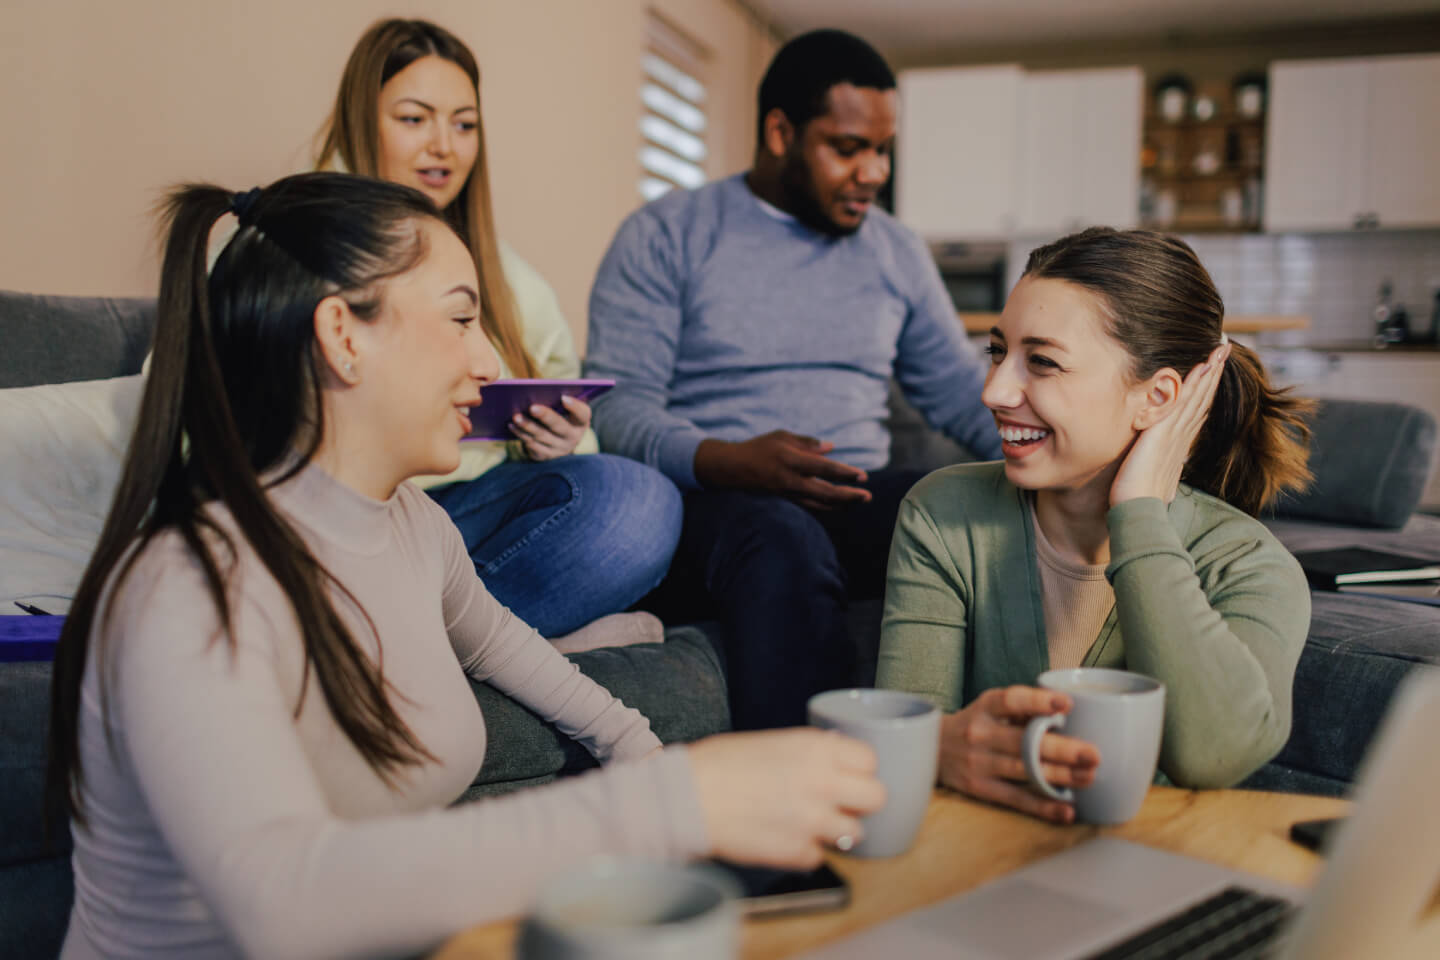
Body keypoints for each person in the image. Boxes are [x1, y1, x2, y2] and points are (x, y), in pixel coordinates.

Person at [45, 173, 886, 959]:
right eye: (460, 319)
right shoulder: (185, 587)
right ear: (342, 334)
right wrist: (677, 802)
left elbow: (506, 652)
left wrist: (649, 754)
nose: (490, 363)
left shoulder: (412, 525)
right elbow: (281, 900)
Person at [583, 29, 1002, 730]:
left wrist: (1066, 456)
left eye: (882, 150)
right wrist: (731, 460)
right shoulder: (667, 234)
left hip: (849, 491)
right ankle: (806, 790)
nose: (873, 172)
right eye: (848, 148)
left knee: (986, 508)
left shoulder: (895, 250)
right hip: (714, 507)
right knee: (780, 533)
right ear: (780, 132)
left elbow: (958, 388)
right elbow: (621, 408)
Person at [877, 227, 1315, 824]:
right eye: (997, 352)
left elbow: (1217, 756)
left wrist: (1137, 512)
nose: (994, 390)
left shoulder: (1250, 566)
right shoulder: (944, 514)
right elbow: (899, 741)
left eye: (1043, 362)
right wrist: (935, 746)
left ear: (1158, 398)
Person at [315, 18, 681, 645]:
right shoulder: (287, 249)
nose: (444, 147)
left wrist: (559, 441)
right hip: (345, 516)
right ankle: (506, 651)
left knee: (637, 501)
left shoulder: (511, 280)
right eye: (413, 119)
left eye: (464, 124)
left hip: (468, 515)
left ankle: (456, 647)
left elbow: (571, 416)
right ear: (361, 119)